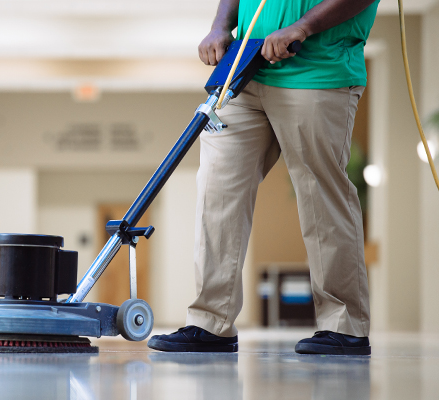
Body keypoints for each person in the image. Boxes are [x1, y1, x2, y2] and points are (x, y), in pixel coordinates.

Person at [147, 0, 379, 355]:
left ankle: (343, 325)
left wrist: (302, 27)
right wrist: (220, 25)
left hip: (317, 72)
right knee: (217, 191)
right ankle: (211, 321)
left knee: (321, 196)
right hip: (244, 70)